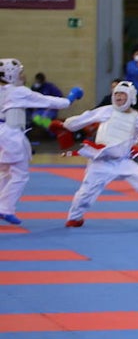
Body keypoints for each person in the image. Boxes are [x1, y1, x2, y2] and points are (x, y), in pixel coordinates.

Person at [62, 82, 138, 227]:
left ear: (130, 97)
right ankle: (75, 218)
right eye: (116, 94)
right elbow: (85, 118)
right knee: (86, 192)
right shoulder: (107, 111)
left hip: (124, 161)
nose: (118, 97)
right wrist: (66, 125)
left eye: (122, 94)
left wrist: (134, 144)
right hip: (101, 161)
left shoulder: (135, 116)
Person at [0, 59, 80, 225]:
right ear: (10, 74)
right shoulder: (18, 92)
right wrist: (70, 99)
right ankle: (5, 208)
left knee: (5, 172)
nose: (23, 76)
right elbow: (47, 101)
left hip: (5, 134)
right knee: (20, 174)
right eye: (20, 73)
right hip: (10, 134)